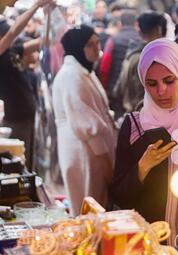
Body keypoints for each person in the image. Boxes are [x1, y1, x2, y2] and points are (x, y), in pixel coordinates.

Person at [110, 39, 178, 243]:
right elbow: (119, 195)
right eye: (152, 84)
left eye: (169, 80)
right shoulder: (135, 126)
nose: (161, 91)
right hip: (148, 244)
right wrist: (142, 168)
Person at [52, 25, 118, 216]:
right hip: (83, 150)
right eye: (91, 44)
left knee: (91, 204)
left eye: (98, 42)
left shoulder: (83, 71)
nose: (97, 47)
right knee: (87, 206)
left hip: (88, 148)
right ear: (78, 48)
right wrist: (104, 155)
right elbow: (85, 123)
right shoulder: (73, 76)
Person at [0, 0, 54, 170]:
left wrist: (49, 15)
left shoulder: (13, 50)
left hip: (28, 116)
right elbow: (14, 31)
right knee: (17, 165)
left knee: (28, 162)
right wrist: (35, 6)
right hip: (15, 119)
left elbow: (44, 40)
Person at [113, 11, 167, 113]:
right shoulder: (150, 59)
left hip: (131, 114)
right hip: (144, 117)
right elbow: (142, 98)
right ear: (158, 30)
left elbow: (118, 90)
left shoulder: (131, 54)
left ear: (139, 32)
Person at [99, 9, 141, 118]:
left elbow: (104, 67)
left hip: (117, 92)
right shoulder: (141, 40)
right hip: (137, 91)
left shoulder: (113, 40)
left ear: (120, 24)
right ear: (136, 24)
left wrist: (105, 89)